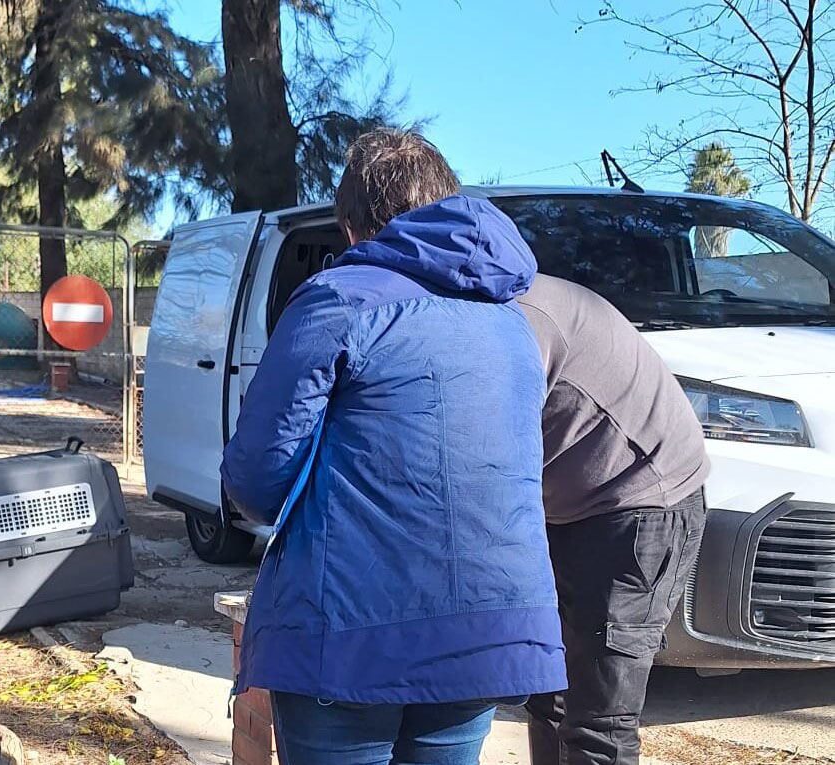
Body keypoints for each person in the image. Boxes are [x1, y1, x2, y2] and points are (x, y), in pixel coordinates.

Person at [221, 128, 567, 765]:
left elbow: (257, 474)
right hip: (487, 631)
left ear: (352, 227)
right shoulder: (512, 321)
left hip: (350, 633)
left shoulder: (339, 299)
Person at [518, 274, 709, 765]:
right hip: (568, 506)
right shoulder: (486, 303)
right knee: (549, 697)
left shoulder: (521, 319)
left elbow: (494, 450)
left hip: (641, 507)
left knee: (599, 722)